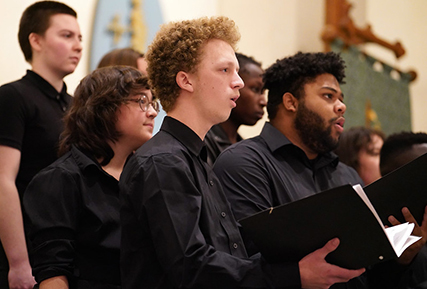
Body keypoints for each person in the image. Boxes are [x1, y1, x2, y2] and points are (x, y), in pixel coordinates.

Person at [119, 17, 364, 289]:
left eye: (236, 71)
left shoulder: (195, 160)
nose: (238, 82)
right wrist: (293, 275)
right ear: (185, 80)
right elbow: (190, 266)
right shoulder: (162, 161)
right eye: (224, 70)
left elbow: (230, 256)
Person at [213, 51, 427, 289]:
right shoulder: (243, 164)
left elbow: (365, 278)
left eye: (342, 98)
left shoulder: (347, 176)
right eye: (328, 96)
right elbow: (244, 265)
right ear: (291, 102)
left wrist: (402, 256)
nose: (341, 106)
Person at [23, 66, 158, 288]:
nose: (152, 112)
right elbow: (54, 274)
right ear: (105, 107)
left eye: (152, 103)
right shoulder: (60, 180)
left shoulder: (147, 175)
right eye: (141, 101)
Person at [0, 2, 82, 288]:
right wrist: (18, 263)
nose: (78, 46)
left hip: (68, 249)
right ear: (35, 40)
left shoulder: (75, 107)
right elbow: (2, 180)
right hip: (28, 251)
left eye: (80, 38)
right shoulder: (13, 97)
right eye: (66, 36)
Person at [205, 52, 266, 166]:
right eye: (255, 89)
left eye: (263, 92)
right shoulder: (203, 141)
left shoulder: (245, 148)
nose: (263, 102)